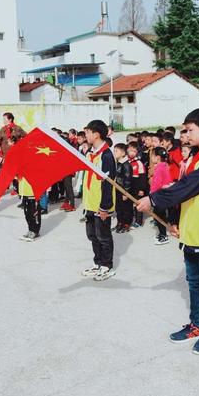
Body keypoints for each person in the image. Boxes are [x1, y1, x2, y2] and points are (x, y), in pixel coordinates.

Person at [137, 108, 199, 355]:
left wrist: (154, 200)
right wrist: (176, 221)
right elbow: (183, 193)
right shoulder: (193, 159)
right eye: (185, 130)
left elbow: (188, 187)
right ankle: (196, 325)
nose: (185, 134)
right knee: (194, 282)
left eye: (190, 129)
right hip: (191, 232)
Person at [81, 120, 117, 282]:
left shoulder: (107, 155)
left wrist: (104, 207)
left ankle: (107, 265)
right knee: (92, 235)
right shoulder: (90, 153)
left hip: (102, 204)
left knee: (103, 235)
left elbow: (108, 184)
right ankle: (98, 262)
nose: (85, 135)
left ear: (96, 134)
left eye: (88, 132)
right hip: (90, 203)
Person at [150, 147, 172, 245]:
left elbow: (157, 183)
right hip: (163, 194)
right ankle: (162, 233)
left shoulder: (159, 168)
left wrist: (152, 195)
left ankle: (163, 235)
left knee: (159, 216)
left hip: (159, 195)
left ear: (158, 158)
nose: (151, 157)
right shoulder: (164, 165)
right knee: (160, 215)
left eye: (152, 155)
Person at [127, 141, 148, 229]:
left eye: (134, 151)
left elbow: (143, 177)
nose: (132, 153)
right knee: (129, 204)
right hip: (129, 187)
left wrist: (142, 189)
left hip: (137, 187)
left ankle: (138, 222)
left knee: (138, 205)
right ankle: (131, 219)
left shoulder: (139, 163)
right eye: (130, 150)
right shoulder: (126, 161)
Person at [113, 143, 133, 233]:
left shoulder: (126, 165)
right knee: (119, 208)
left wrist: (126, 192)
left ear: (123, 153)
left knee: (126, 208)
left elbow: (128, 179)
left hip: (124, 191)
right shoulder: (117, 163)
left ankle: (126, 224)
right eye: (114, 150)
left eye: (116, 151)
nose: (114, 152)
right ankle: (120, 222)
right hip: (117, 189)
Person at [18, 176, 41, 242]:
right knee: (27, 214)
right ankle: (30, 229)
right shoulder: (21, 167)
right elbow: (17, 177)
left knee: (34, 212)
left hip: (33, 192)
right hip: (24, 192)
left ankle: (35, 231)